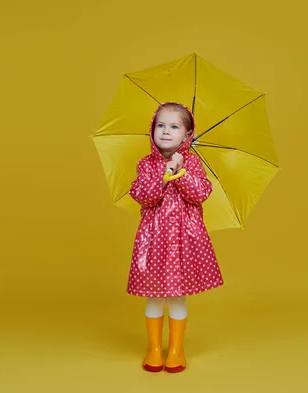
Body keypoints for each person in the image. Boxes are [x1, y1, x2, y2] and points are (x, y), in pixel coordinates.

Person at [127, 102, 224, 373]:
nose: (166, 131)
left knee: (178, 295)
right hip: (154, 240)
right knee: (154, 295)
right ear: (152, 130)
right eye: (160, 125)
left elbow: (200, 193)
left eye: (174, 127)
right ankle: (154, 348)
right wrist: (164, 174)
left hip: (184, 239)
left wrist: (180, 173)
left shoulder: (193, 163)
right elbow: (141, 195)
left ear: (187, 135)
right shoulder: (145, 164)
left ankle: (177, 350)